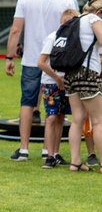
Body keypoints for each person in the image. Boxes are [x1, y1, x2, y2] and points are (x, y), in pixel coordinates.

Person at [5, 0, 78, 161]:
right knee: (56, 108)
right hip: (58, 61)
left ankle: (23, 149)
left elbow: (15, 30)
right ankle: (49, 151)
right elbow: (74, 31)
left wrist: (9, 57)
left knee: (27, 102)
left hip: (31, 59)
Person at [62, 0, 102, 171]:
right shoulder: (94, 19)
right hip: (88, 74)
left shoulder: (75, 20)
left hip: (70, 74)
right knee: (98, 121)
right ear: (99, 12)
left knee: (77, 119)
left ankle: (75, 162)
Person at [36, 9, 77, 168]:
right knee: (51, 117)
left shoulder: (75, 39)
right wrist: (57, 78)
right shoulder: (52, 37)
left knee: (61, 117)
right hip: (51, 83)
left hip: (67, 83)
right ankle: (49, 154)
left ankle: (56, 153)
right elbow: (41, 62)